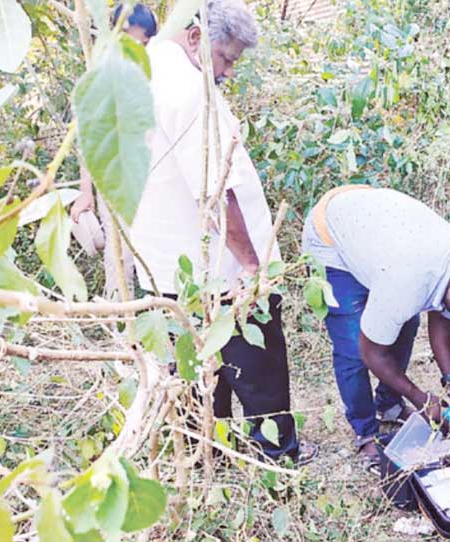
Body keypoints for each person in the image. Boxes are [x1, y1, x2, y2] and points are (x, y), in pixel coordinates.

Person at [129, 0, 315, 464]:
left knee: (192, 376)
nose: (229, 72)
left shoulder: (144, 70)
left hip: (167, 275)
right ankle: (277, 463)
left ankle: (207, 462)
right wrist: (252, 267)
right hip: (220, 276)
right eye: (227, 58)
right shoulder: (189, 92)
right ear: (195, 37)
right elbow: (215, 194)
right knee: (260, 375)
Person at [302, 186, 450, 473]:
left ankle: (388, 405)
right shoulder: (406, 283)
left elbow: (442, 314)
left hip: (376, 231)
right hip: (330, 238)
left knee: (407, 322)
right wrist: (420, 398)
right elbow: (371, 352)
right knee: (353, 347)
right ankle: (366, 430)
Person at [70, 3, 158, 297]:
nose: (139, 48)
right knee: (119, 255)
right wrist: (86, 192)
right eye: (134, 39)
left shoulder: (155, 67)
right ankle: (121, 323)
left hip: (155, 172)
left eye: (145, 42)